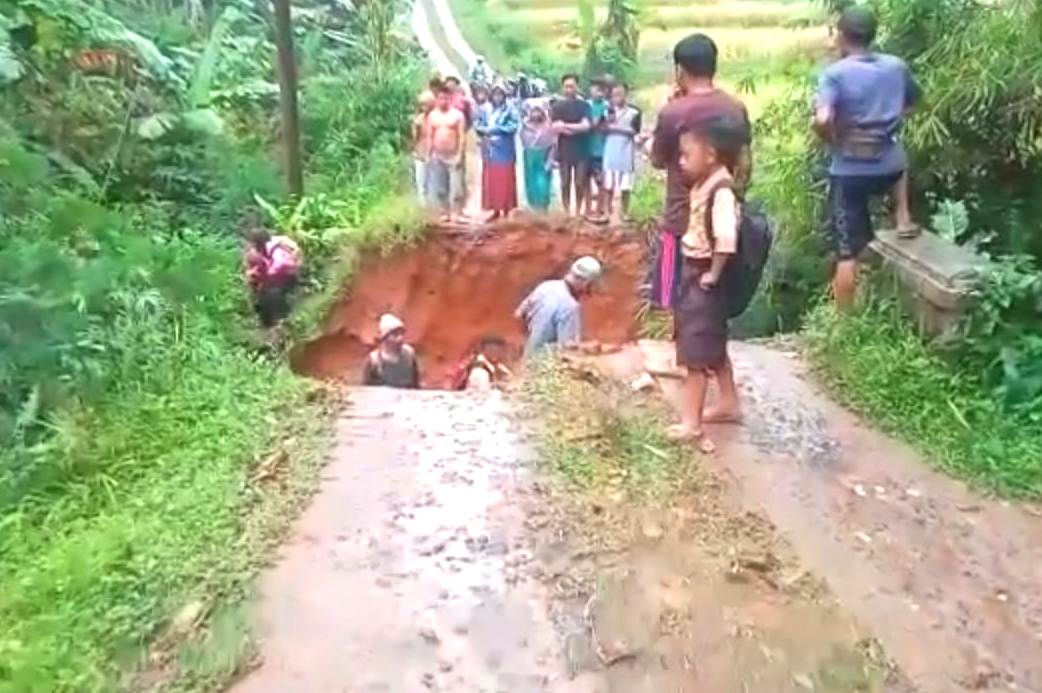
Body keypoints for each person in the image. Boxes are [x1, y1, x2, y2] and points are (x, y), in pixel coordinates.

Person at [813, 6, 921, 310]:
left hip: (850, 170)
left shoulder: (834, 74)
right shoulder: (896, 66)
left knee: (846, 253)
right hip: (888, 166)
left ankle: (843, 324)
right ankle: (903, 216)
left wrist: (830, 135)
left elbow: (823, 118)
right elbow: (912, 104)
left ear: (841, 35)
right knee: (899, 154)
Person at [649, 34, 751, 311]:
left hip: (681, 218)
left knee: (672, 299)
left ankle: (679, 346)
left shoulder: (673, 112)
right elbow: (745, 163)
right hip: (722, 218)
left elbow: (657, 160)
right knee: (714, 294)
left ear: (680, 70)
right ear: (713, 66)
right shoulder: (734, 108)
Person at [670, 119, 746, 452]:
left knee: (695, 355)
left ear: (711, 154)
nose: (681, 161)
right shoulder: (707, 183)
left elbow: (726, 238)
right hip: (696, 270)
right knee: (712, 345)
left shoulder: (721, 191)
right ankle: (728, 402)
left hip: (704, 273)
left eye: (686, 155)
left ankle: (691, 423)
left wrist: (712, 274)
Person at [515, 256, 602, 358]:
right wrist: (588, 349)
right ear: (586, 283)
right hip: (544, 368)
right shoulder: (570, 307)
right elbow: (568, 351)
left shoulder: (545, 286)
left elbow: (519, 315)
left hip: (527, 359)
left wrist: (533, 340)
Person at [474, 83, 519, 222]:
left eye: (500, 94)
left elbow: (514, 126)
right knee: (491, 180)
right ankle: (495, 210)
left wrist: (495, 129)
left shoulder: (510, 109)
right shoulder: (484, 109)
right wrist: (483, 131)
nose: (497, 97)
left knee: (505, 179)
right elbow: (477, 124)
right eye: (495, 94)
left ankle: (506, 210)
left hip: (504, 149)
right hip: (489, 149)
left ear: (504, 95)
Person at [550, 74, 592, 217]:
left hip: (582, 150)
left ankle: (579, 210)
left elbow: (586, 126)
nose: (569, 89)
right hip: (564, 150)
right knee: (564, 183)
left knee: (580, 183)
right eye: (566, 86)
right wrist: (576, 127)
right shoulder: (557, 106)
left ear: (577, 87)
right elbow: (555, 127)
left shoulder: (584, 105)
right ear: (562, 88)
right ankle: (567, 211)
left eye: (572, 86)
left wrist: (566, 126)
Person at [243, 228, 302, 328]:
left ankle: (281, 318)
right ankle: (274, 318)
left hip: (285, 276)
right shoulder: (258, 253)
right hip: (279, 276)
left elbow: (285, 264)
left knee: (272, 294)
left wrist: (268, 275)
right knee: (267, 293)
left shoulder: (275, 247)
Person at [602, 83, 643, 221]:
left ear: (626, 94)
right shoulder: (607, 111)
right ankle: (607, 212)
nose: (616, 98)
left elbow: (636, 130)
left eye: (620, 94)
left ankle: (624, 213)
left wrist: (617, 128)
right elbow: (603, 128)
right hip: (611, 148)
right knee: (608, 182)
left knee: (626, 184)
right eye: (614, 95)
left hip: (626, 149)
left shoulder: (635, 112)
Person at [426, 86, 467, 223]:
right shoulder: (432, 116)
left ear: (450, 99)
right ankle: (445, 212)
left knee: (457, 186)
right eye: (441, 98)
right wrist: (429, 154)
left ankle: (458, 212)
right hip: (438, 155)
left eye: (446, 98)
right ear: (437, 99)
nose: (443, 101)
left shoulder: (457, 115)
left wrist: (460, 154)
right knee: (441, 186)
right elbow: (430, 136)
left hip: (453, 154)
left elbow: (462, 136)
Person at [362, 313, 421, 389]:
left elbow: (415, 385)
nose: (400, 338)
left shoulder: (409, 355)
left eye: (401, 333)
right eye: (395, 335)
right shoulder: (374, 361)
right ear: (385, 338)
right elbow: (367, 391)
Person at [521, 100, 555, 212]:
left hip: (544, 155)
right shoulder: (525, 125)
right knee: (530, 182)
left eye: (538, 111)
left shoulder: (548, 125)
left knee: (543, 181)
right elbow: (523, 141)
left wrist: (550, 159)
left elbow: (553, 144)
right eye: (533, 111)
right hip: (529, 155)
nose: (536, 114)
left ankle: (543, 207)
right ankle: (533, 207)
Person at [585, 78, 611, 223]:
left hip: (601, 149)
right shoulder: (585, 106)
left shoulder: (607, 107)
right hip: (585, 148)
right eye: (595, 89)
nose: (598, 93)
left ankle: (600, 208)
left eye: (601, 90)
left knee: (600, 180)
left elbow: (608, 126)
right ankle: (588, 208)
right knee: (585, 180)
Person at [411, 93, 435, 202]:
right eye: (422, 105)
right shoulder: (418, 120)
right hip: (420, 152)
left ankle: (433, 208)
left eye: (426, 105)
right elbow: (415, 138)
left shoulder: (436, 118)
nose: (424, 107)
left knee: (432, 183)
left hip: (434, 154)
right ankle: (422, 206)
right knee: (421, 183)